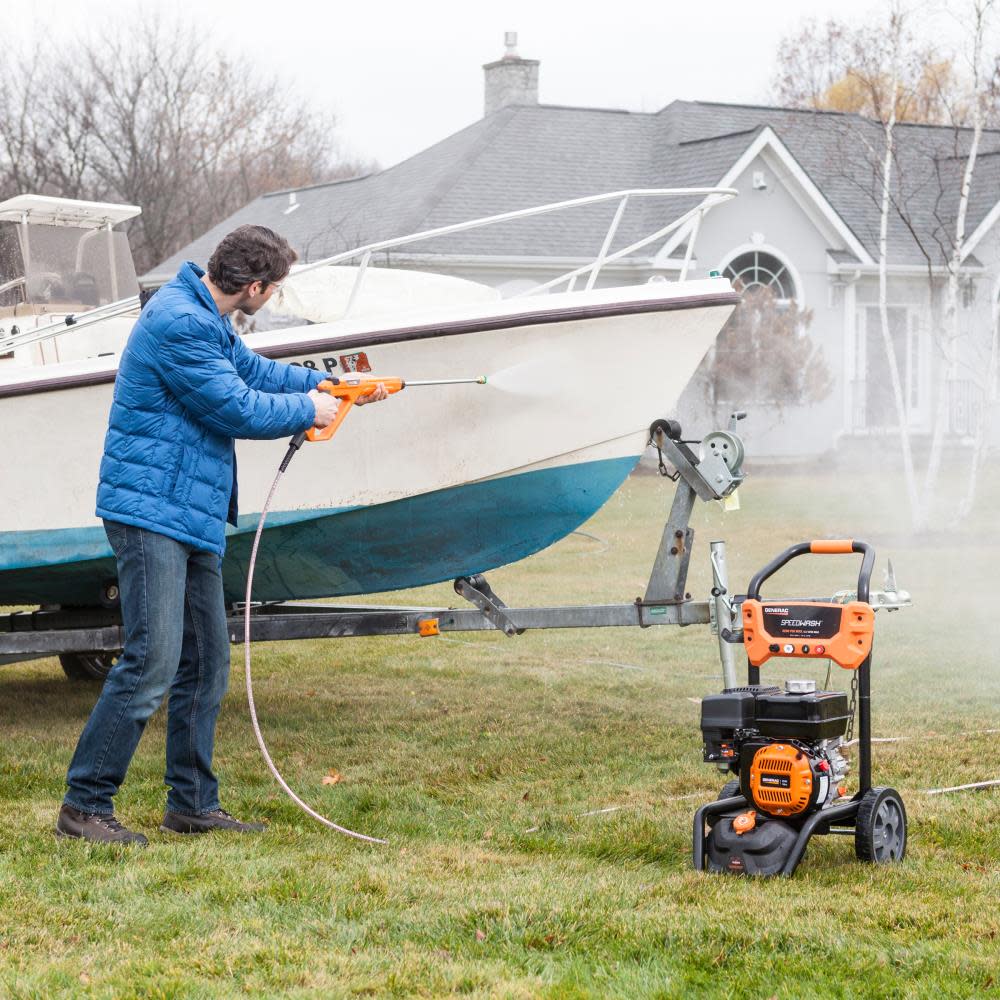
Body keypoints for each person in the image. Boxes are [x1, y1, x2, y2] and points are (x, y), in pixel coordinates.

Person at [56, 225, 386, 845]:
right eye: (275, 289)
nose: (273, 297)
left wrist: (324, 386)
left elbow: (251, 370)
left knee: (206, 661)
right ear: (254, 287)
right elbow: (234, 406)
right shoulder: (181, 323)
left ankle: (192, 805)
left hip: (191, 515)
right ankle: (84, 807)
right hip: (151, 513)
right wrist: (309, 413)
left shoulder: (207, 317)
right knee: (151, 661)